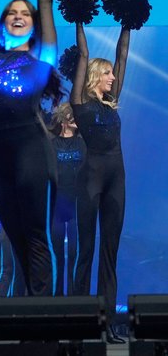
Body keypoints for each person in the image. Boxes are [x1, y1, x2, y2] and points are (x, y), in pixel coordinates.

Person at [0, 0, 63, 296]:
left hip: (34, 157)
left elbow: (45, 1)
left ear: (33, 23)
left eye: (24, 13)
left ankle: (46, 317)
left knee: (36, 237)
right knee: (15, 239)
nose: (17, 17)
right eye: (11, 13)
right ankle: (30, 311)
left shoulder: (42, 57)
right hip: (2, 162)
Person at [70, 21, 130, 343]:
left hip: (116, 181)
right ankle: (81, 323)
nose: (113, 77)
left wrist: (126, 22)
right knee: (86, 252)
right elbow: (83, 53)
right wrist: (79, 19)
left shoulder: (112, 101)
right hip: (90, 181)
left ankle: (109, 325)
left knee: (110, 253)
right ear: (96, 76)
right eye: (107, 74)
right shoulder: (80, 102)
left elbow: (122, 56)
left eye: (113, 74)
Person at [49, 102, 85, 296]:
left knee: (74, 253)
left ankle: (74, 297)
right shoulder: (53, 145)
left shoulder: (82, 143)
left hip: (77, 204)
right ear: (64, 119)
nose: (76, 119)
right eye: (72, 115)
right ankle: (57, 298)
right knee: (57, 255)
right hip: (57, 205)